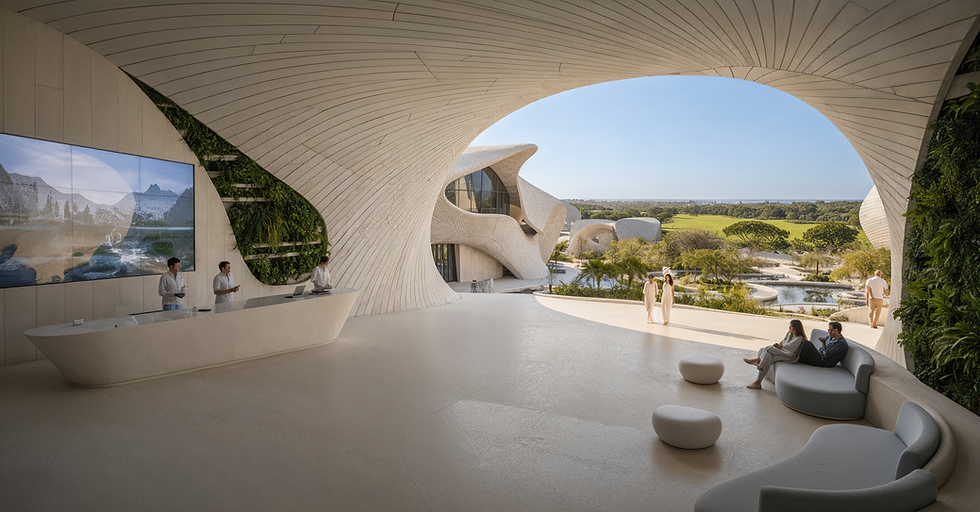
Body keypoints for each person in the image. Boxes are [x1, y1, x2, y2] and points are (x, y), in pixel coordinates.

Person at [743, 319, 807, 389]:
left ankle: (759, 361)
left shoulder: (799, 338)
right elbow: (783, 342)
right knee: (769, 356)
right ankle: (758, 382)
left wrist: (779, 347)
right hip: (783, 351)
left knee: (769, 348)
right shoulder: (789, 334)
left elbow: (790, 350)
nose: (789, 328)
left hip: (790, 356)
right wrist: (778, 345)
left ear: (795, 328)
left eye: (791, 326)